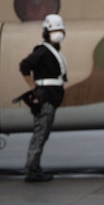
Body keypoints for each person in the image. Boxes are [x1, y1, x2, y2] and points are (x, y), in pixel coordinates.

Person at [19, 13, 68, 182]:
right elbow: (24, 66)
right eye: (56, 29)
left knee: (43, 133)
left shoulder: (52, 51)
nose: (59, 32)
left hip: (51, 96)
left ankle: (34, 167)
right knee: (40, 133)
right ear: (47, 31)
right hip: (45, 97)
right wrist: (34, 88)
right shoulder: (42, 51)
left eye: (61, 29)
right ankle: (32, 170)